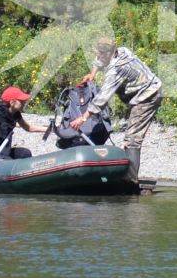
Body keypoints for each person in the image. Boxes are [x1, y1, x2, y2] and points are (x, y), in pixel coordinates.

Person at [68, 38, 162, 176]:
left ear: (108, 54)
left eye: (100, 54)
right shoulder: (122, 50)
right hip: (147, 90)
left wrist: (83, 118)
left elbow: (103, 98)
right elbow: (99, 60)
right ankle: (128, 174)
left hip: (148, 96)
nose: (98, 56)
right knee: (131, 136)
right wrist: (93, 74)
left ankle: (131, 179)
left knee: (132, 139)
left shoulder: (116, 69)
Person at [0, 85, 44, 161]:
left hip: (4, 151)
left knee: (25, 153)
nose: (24, 103)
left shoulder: (16, 114)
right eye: (21, 101)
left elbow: (29, 128)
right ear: (12, 102)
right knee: (6, 160)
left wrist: (50, 129)